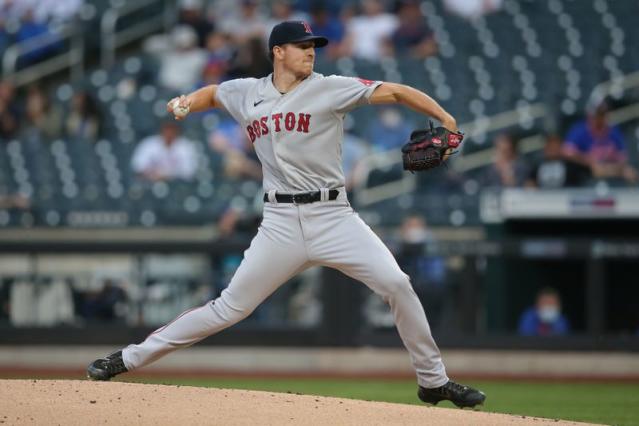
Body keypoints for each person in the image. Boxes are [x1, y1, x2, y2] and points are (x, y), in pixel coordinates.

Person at [87, 20, 486, 409]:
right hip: (279, 223)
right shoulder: (247, 93)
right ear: (278, 52)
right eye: (302, 46)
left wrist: (447, 120)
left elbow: (396, 91)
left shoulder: (330, 88)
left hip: (334, 216)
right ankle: (127, 359)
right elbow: (215, 92)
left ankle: (433, 382)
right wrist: (188, 100)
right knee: (229, 308)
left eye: (313, 46)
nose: (311, 51)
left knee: (397, 284)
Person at [563, 102, 637, 184]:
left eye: (602, 115)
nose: (600, 118)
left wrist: (609, 167)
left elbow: (623, 157)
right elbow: (567, 151)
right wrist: (589, 160)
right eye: (598, 115)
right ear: (590, 116)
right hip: (586, 171)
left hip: (610, 169)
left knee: (630, 173)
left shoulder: (613, 131)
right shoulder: (580, 129)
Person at [131, 120, 198, 182]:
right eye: (167, 129)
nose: (169, 133)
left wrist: (167, 175)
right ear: (161, 130)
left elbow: (189, 171)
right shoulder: (149, 144)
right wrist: (154, 174)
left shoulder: (185, 146)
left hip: (176, 185)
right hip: (151, 182)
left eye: (172, 130)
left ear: (177, 131)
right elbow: (138, 166)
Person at [526, 134, 591, 188]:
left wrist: (575, 157)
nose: (552, 150)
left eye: (555, 147)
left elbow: (586, 170)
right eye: (550, 147)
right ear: (545, 148)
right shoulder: (537, 165)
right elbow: (530, 182)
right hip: (542, 198)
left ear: (561, 148)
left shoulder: (570, 165)